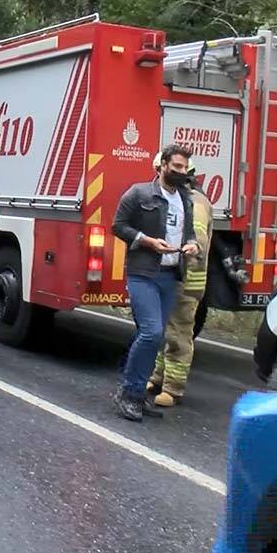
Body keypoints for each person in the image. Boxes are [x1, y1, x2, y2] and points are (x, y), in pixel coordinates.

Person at [111, 144, 198, 422]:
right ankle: (127, 392)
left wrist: (192, 245)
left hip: (171, 276)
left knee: (156, 337)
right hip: (143, 274)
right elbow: (118, 226)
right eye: (176, 167)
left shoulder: (185, 198)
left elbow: (190, 232)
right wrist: (146, 241)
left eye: (185, 168)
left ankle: (137, 394)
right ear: (162, 166)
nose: (181, 173)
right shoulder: (139, 193)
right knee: (151, 331)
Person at [148, 157, 213, 408]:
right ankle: (158, 378)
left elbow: (198, 240)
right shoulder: (179, 199)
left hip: (187, 280)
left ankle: (173, 388)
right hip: (175, 276)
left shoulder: (194, 203)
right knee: (165, 329)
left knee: (179, 332)